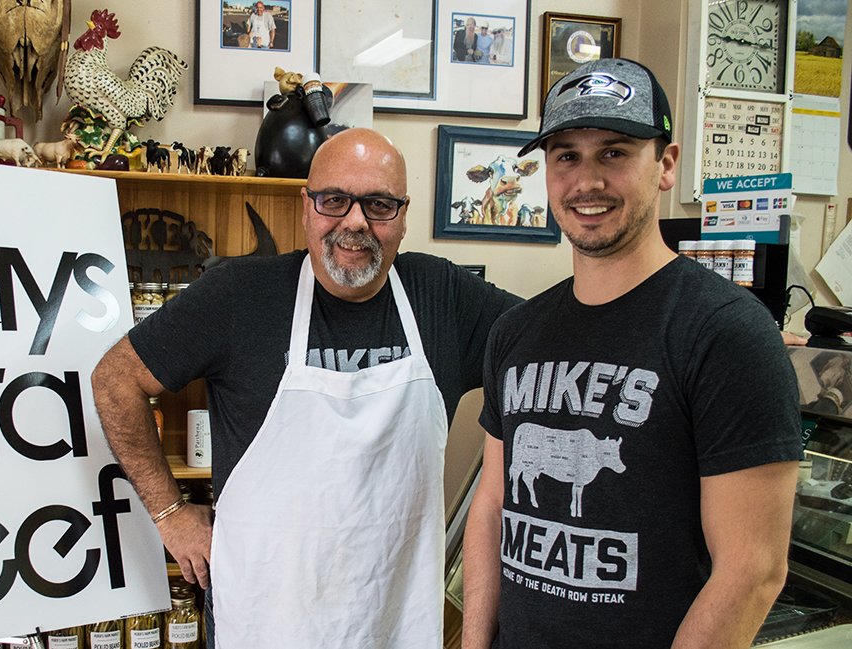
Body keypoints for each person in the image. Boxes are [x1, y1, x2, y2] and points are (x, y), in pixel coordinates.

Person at [92, 127, 522, 648]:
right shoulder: (240, 296)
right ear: (306, 207)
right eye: (334, 200)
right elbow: (115, 380)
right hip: (264, 621)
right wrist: (169, 514)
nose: (355, 221)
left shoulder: (443, 296)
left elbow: (549, 348)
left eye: (380, 204)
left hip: (395, 622)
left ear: (404, 217)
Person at [461, 58, 802, 649]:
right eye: (566, 155)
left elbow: (752, 572)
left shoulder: (726, 332)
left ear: (665, 165)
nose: (586, 181)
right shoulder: (515, 332)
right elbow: (492, 507)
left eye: (614, 153)